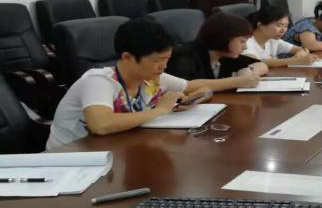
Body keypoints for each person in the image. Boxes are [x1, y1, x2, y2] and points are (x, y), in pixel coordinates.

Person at [46, 19, 216, 149]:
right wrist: (161, 110)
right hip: (71, 159)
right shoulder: (98, 81)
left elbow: (202, 87)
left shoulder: (151, 76)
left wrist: (196, 98)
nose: (163, 66)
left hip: (115, 149)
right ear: (127, 57)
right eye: (157, 60)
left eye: (167, 60)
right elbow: (101, 125)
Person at [166, 12, 268, 84]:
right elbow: (186, 88)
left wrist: (249, 71)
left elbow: (262, 65)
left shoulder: (224, 55)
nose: (245, 47)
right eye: (242, 41)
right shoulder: (185, 58)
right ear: (224, 38)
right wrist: (237, 81)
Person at [243, 6, 319, 67]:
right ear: (260, 25)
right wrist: (296, 60)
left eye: (286, 26)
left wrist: (300, 54)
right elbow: (255, 62)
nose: (283, 30)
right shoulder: (246, 42)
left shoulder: (272, 40)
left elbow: (301, 49)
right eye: (279, 25)